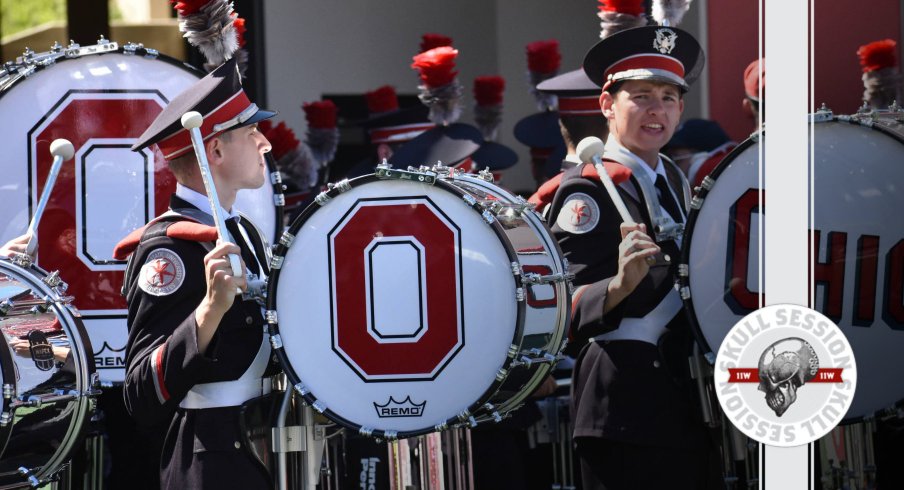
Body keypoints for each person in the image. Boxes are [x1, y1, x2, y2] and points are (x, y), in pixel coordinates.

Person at [539, 26, 719, 489]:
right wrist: (618, 285)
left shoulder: (676, 182)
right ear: (607, 105)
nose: (657, 109)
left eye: (668, 96)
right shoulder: (588, 187)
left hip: (681, 398)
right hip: (623, 405)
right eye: (640, 96)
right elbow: (561, 308)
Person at [115, 58, 278, 490]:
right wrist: (209, 310)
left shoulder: (244, 233)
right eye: (251, 133)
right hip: (210, 464)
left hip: (260, 445)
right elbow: (139, 393)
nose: (265, 143)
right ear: (216, 151)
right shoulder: (169, 248)